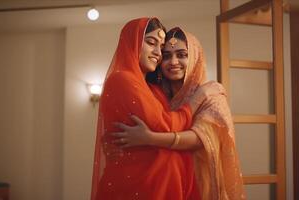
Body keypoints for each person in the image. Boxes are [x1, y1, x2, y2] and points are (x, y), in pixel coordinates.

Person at [91, 18, 222, 200]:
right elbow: (166, 124)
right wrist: (197, 99)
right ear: (133, 42)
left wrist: (149, 138)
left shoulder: (155, 88)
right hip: (137, 186)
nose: (158, 53)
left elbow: (203, 138)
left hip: (161, 184)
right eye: (152, 43)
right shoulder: (123, 80)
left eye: (161, 47)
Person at [112, 27, 246, 200]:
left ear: (195, 58)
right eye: (166, 56)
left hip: (200, 181)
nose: (173, 62)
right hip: (160, 184)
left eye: (182, 55)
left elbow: (200, 138)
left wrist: (150, 138)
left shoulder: (211, 94)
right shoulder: (154, 93)